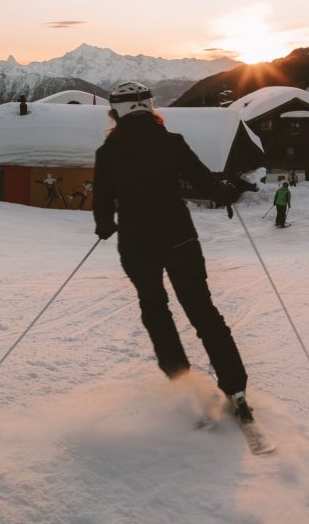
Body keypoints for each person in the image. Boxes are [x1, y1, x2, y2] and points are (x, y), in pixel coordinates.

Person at [92, 81, 253, 423]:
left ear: (116, 113)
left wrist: (105, 226)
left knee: (155, 309)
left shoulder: (107, 153)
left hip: (136, 242)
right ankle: (235, 388)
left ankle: (183, 384)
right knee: (202, 310)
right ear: (150, 108)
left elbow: (103, 202)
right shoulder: (171, 143)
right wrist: (226, 190)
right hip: (178, 235)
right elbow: (206, 184)